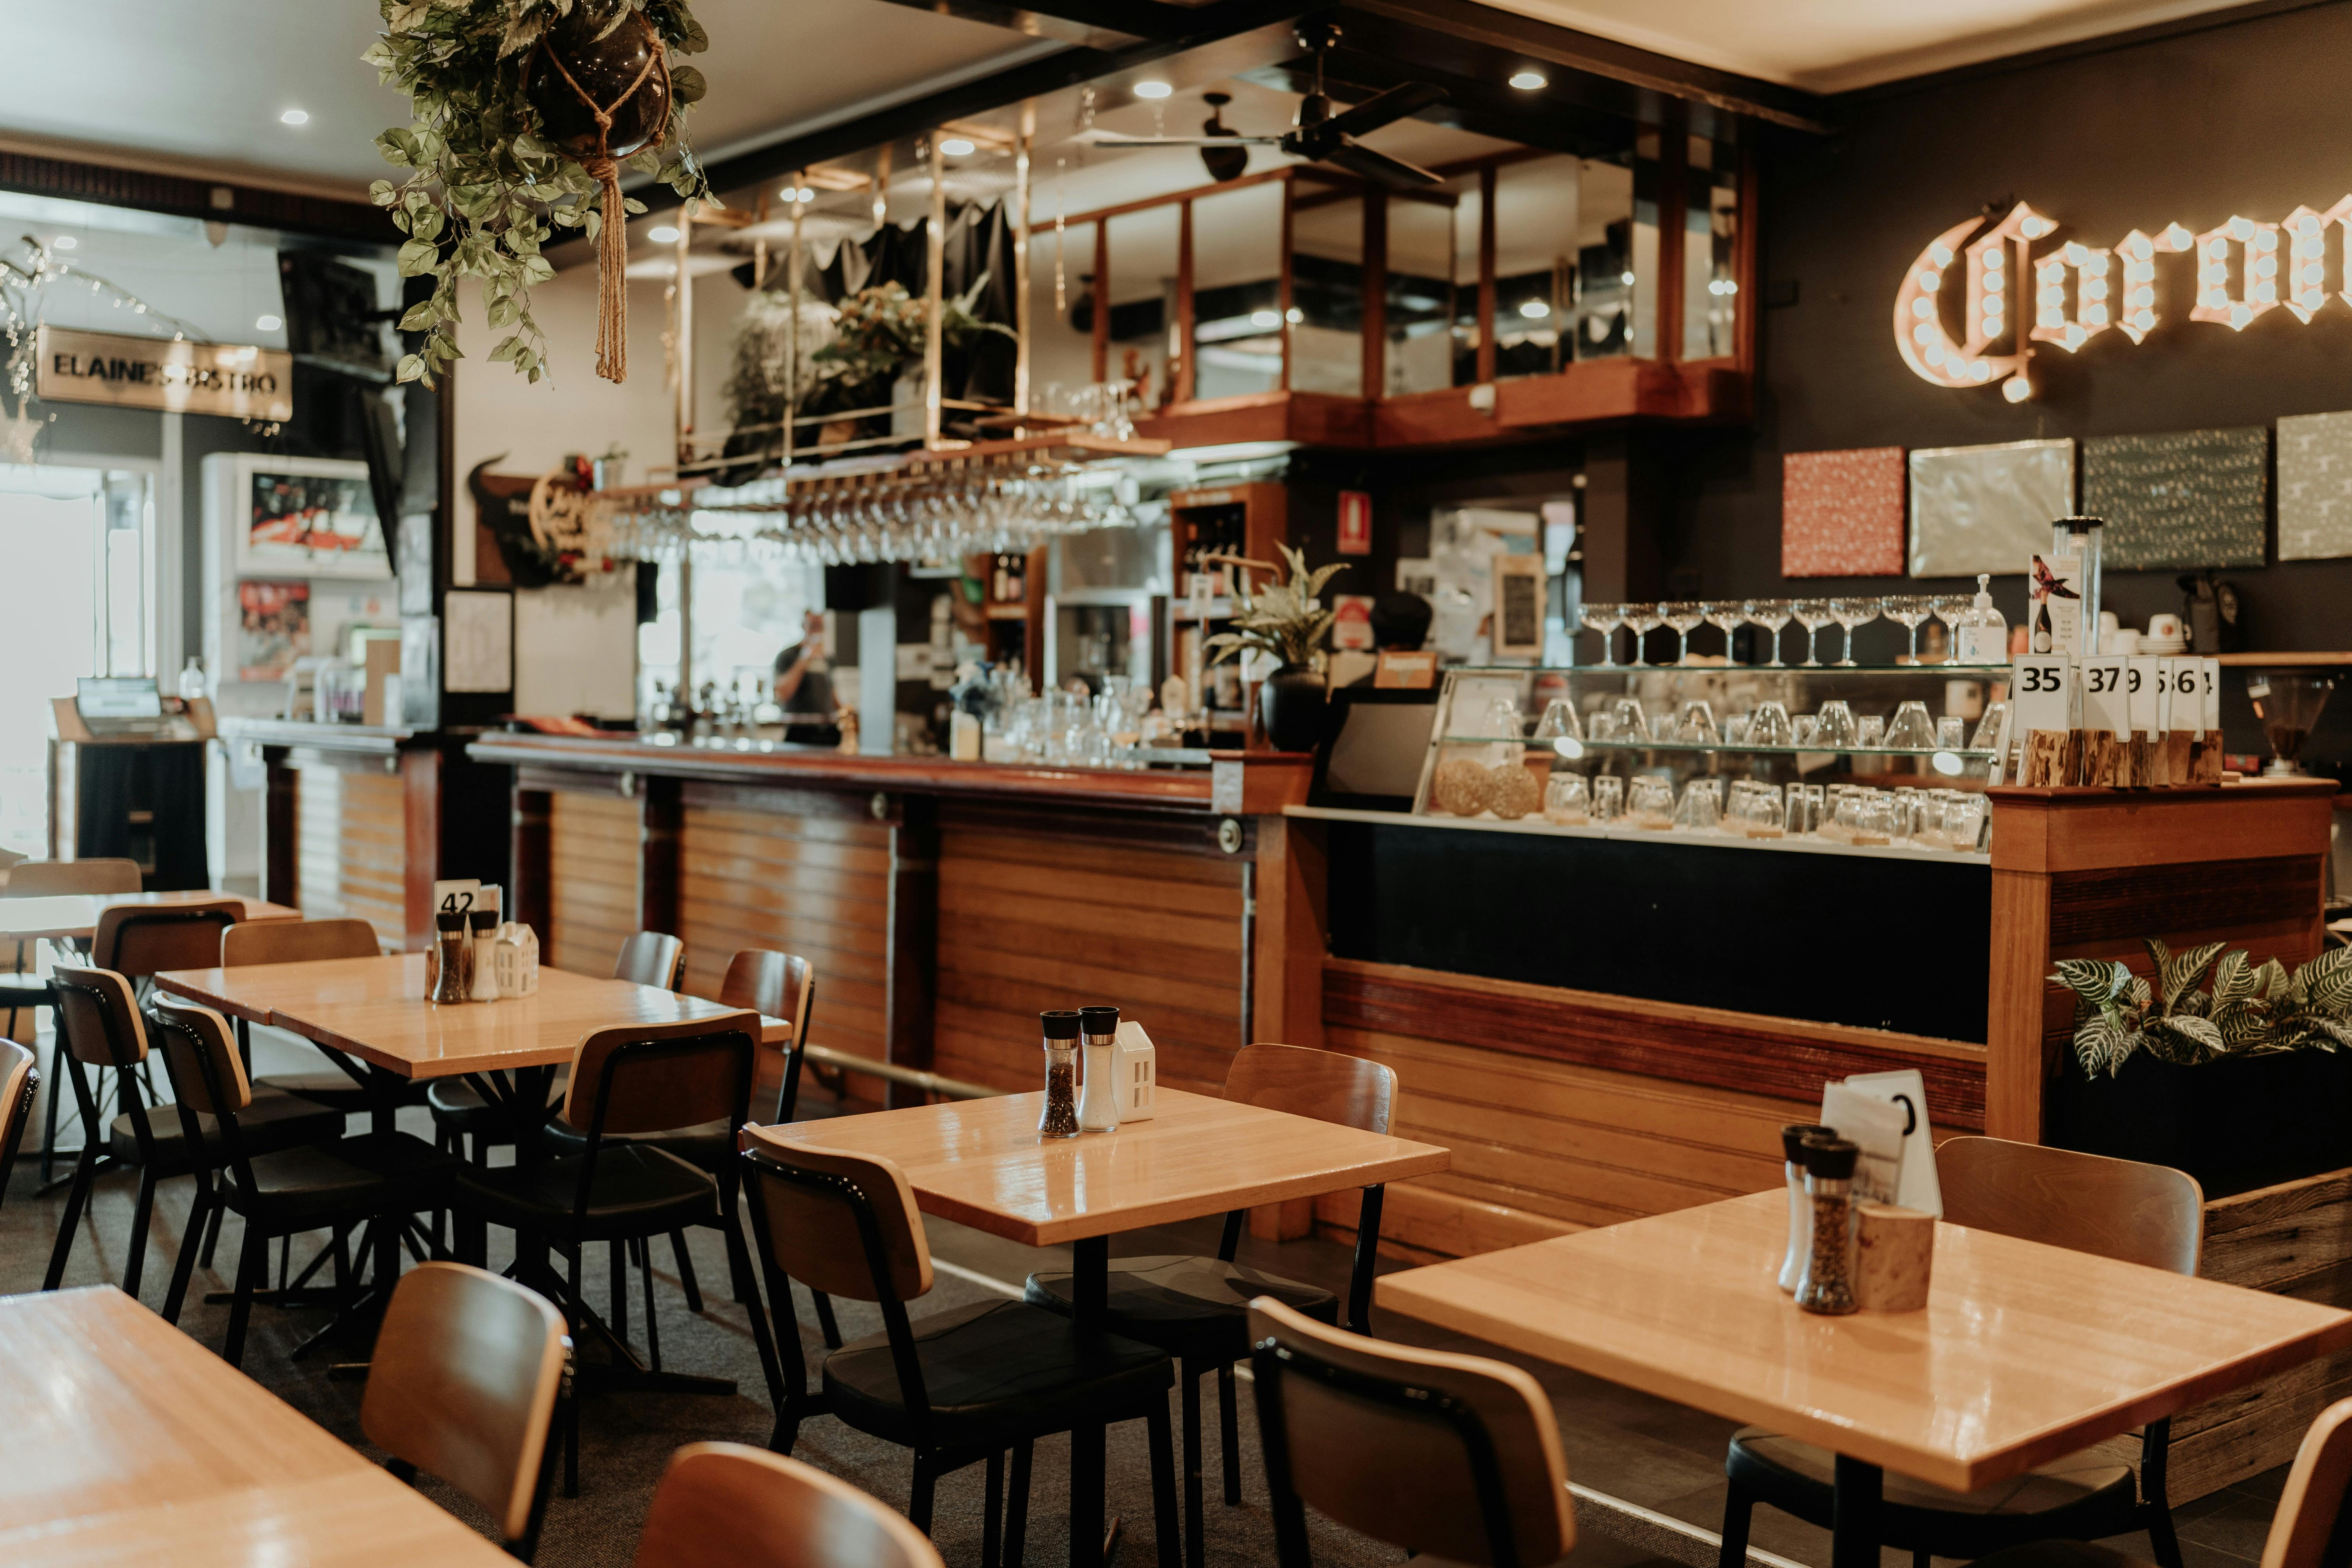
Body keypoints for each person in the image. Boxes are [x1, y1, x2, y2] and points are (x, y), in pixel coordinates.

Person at [771, 610, 837, 718]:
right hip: (797, 727)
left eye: (820, 626)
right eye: (813, 626)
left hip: (826, 727)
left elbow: (832, 694)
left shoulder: (828, 659)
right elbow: (782, 694)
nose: (817, 631)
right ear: (803, 626)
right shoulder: (788, 655)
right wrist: (805, 658)